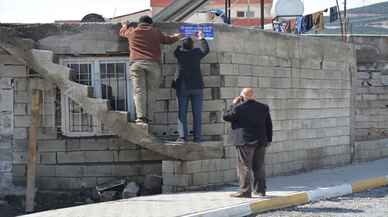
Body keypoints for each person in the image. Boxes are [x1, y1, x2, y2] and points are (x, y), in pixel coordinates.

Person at [119, 16, 181, 125]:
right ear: (150, 24)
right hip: (153, 64)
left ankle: (141, 117)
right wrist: (178, 36)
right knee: (151, 92)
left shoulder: (132, 32)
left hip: (136, 64)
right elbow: (169, 40)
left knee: (139, 91)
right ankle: (149, 118)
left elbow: (122, 32)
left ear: (139, 23)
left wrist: (124, 25)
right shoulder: (155, 32)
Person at [223, 88, 273, 198]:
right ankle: (260, 190)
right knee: (259, 166)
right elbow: (269, 125)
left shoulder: (239, 108)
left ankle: (245, 191)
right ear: (253, 96)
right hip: (261, 140)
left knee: (244, 166)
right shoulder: (263, 107)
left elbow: (226, 117)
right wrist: (269, 140)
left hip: (244, 141)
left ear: (242, 96)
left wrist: (233, 104)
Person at [174, 31, 209, 143]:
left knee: (182, 113)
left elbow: (176, 50)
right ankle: (197, 138)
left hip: (183, 86)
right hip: (197, 86)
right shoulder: (197, 52)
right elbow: (206, 50)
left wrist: (180, 40)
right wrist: (202, 39)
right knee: (197, 113)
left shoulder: (179, 53)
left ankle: (183, 137)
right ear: (193, 45)